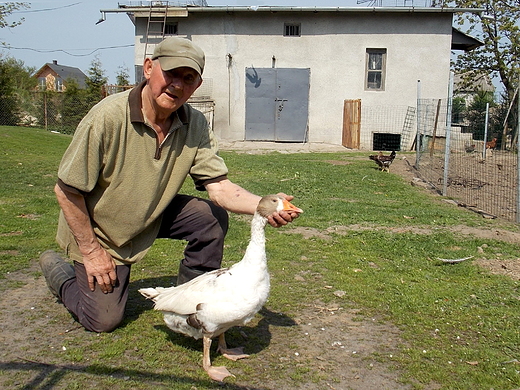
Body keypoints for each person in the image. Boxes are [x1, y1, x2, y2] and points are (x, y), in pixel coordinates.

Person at [39, 37, 299, 333]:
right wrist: (92, 252)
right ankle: (59, 273)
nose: (177, 84)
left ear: (197, 86)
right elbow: (67, 190)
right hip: (101, 232)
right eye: (171, 73)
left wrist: (266, 206)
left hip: (151, 213)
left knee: (210, 218)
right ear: (148, 68)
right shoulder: (107, 117)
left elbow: (220, 188)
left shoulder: (195, 124)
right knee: (103, 319)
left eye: (188, 78)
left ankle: (188, 302)